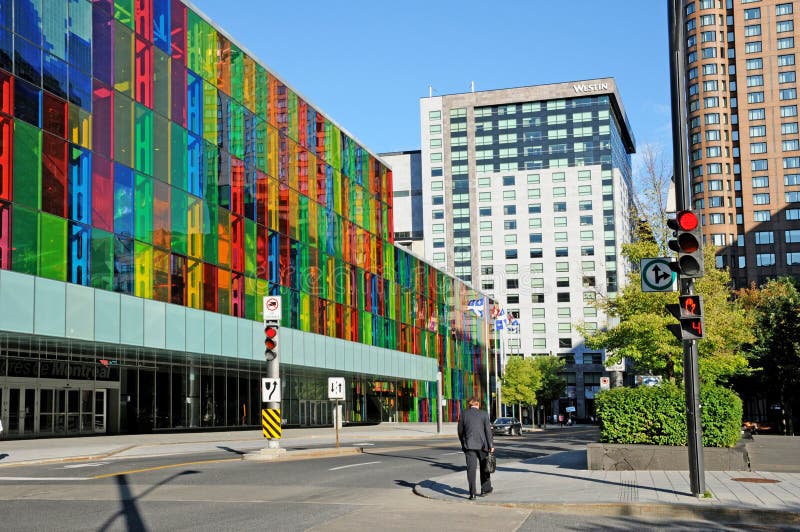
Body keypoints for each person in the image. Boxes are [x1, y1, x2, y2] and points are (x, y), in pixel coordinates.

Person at [457, 396, 494, 500]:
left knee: (471, 470)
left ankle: (472, 494)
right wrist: (491, 445)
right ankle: (485, 489)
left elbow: (460, 431)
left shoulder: (464, 413)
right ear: (478, 404)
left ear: (470, 404)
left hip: (469, 445)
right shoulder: (484, 414)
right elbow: (488, 431)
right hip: (482, 446)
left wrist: (463, 443)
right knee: (485, 467)